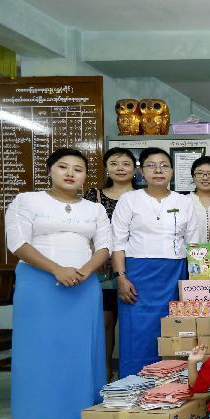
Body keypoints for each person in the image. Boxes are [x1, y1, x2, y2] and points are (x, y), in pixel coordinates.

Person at [6, 148, 111, 419]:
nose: (70, 174)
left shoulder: (95, 208)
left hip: (83, 284)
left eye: (78, 169)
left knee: (81, 347)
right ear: (50, 170)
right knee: (39, 347)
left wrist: (85, 271)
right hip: (39, 284)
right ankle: (37, 413)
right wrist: (56, 269)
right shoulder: (26, 201)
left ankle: (81, 411)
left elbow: (104, 246)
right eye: (63, 167)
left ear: (86, 177)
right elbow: (17, 243)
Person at [112, 147, 201, 378]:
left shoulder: (185, 202)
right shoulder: (129, 200)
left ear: (172, 171)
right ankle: (132, 385)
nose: (158, 170)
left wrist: (193, 285)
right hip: (137, 275)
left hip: (175, 273)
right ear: (141, 172)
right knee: (137, 333)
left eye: (164, 165)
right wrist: (121, 278)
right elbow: (118, 243)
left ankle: (173, 386)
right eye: (151, 165)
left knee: (174, 330)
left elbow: (194, 245)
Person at [83, 147, 137, 382]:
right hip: (101, 269)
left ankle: (133, 372)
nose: (120, 168)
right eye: (114, 163)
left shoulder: (142, 197)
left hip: (134, 267)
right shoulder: (93, 196)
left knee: (133, 321)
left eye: (126, 163)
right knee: (105, 322)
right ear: (106, 167)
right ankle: (104, 372)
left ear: (135, 169)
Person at [187, 156, 210, 243]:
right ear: (193, 177)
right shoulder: (183, 202)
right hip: (189, 255)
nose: (205, 178)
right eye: (199, 173)